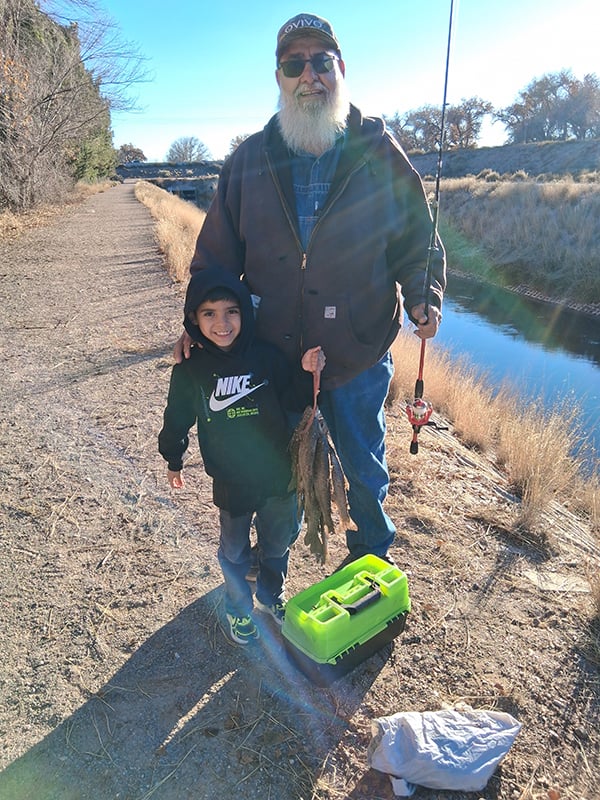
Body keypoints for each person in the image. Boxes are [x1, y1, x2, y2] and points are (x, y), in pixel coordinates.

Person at [175, 12, 446, 565]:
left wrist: (424, 294)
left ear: (340, 69)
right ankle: (273, 554)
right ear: (279, 78)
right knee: (278, 466)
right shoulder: (247, 160)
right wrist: (193, 327)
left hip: (356, 355)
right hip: (273, 359)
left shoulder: (379, 153)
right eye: (294, 64)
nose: (309, 76)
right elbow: (215, 260)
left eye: (320, 62)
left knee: (363, 467)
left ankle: (371, 555)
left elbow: (418, 239)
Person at [159, 266, 323, 644]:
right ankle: (238, 607)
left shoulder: (268, 357)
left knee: (278, 541)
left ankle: (270, 596)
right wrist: (173, 458)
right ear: (193, 320)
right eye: (209, 313)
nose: (222, 323)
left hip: (278, 473)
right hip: (231, 481)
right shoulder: (190, 371)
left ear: (245, 312)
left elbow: (295, 401)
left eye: (231, 310)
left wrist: (306, 372)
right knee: (233, 550)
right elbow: (176, 418)